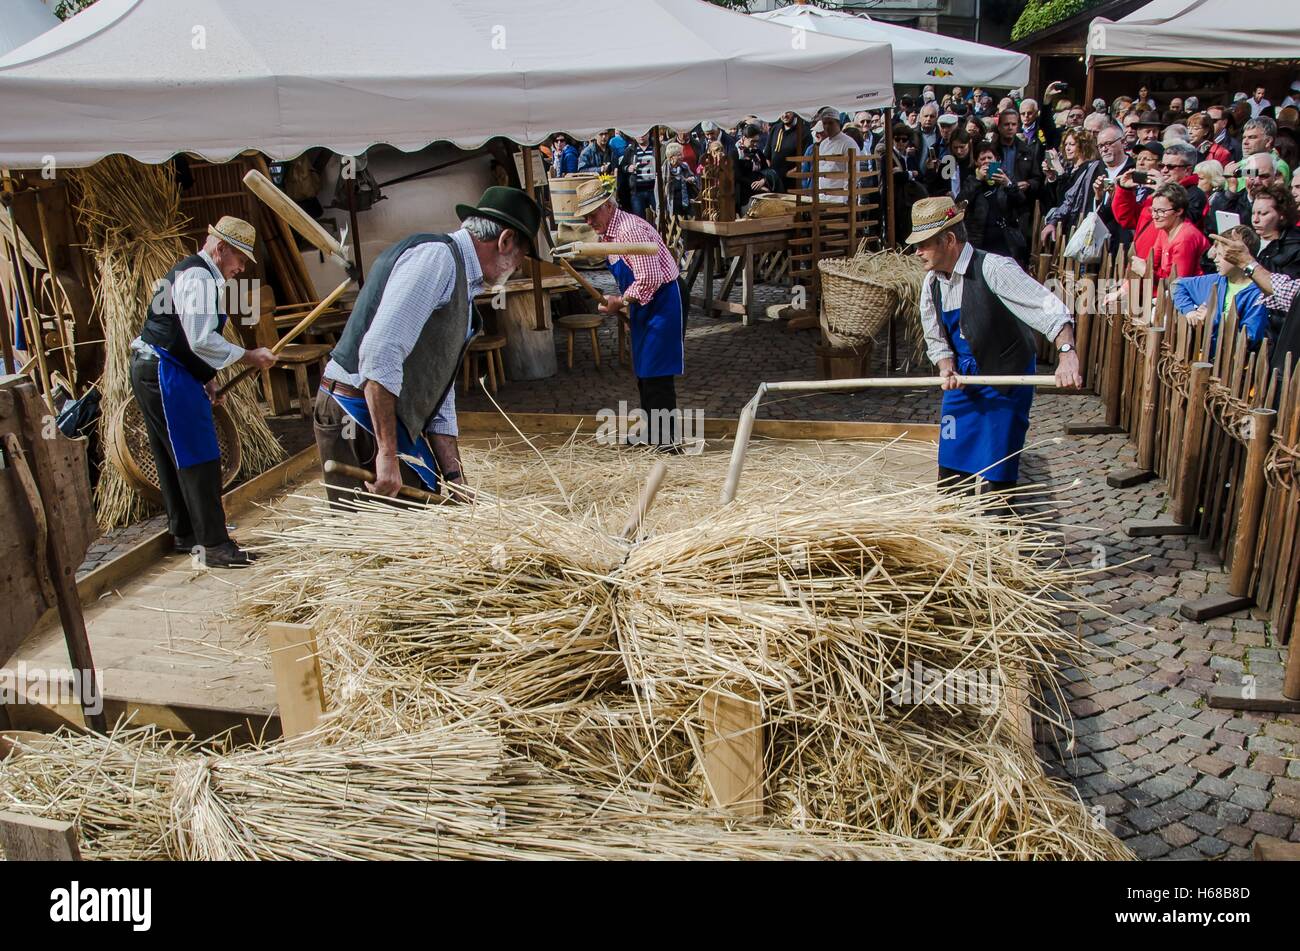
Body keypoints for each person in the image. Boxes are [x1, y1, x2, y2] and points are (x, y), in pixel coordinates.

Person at [315, 187, 541, 504]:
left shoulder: (461, 277)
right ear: (504, 241)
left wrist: (455, 478)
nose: (516, 268)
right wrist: (387, 454)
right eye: (520, 257)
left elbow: (438, 384)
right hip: (355, 411)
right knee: (380, 540)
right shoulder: (437, 260)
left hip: (380, 413)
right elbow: (380, 355)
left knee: (426, 510)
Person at [129, 217, 278, 568]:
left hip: (164, 367)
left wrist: (207, 378)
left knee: (174, 456)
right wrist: (248, 356)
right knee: (198, 455)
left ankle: (186, 535)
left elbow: (187, 338)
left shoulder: (201, 275)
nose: (241, 268)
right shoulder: (197, 277)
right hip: (164, 371)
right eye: (239, 258)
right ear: (220, 247)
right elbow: (200, 338)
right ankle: (214, 546)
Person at [911, 197, 1080, 502]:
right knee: (951, 462)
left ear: (949, 240)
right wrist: (945, 365)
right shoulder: (931, 283)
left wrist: (1067, 353)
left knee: (997, 471)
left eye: (923, 244)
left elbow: (1047, 307)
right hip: (964, 382)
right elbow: (934, 333)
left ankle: (996, 533)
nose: (917, 252)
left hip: (1005, 379)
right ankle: (952, 527)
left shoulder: (994, 268)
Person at [576, 178, 685, 450]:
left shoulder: (628, 231)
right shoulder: (609, 233)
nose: (589, 222)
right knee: (644, 371)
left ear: (608, 206)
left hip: (663, 299)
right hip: (645, 302)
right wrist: (626, 305)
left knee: (657, 374)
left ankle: (668, 444)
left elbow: (649, 278)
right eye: (585, 217)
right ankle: (652, 432)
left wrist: (620, 301)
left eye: (592, 215)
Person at [1172, 225, 1270, 352]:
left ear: (1239, 256)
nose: (1215, 260)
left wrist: (1213, 321)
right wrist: (1189, 311)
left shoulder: (1258, 295)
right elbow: (1177, 285)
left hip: (1232, 366)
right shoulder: (1215, 281)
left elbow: (1248, 339)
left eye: (1220, 255)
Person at [960, 140, 1028, 264]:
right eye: (982, 158)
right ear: (976, 162)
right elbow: (961, 203)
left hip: (1004, 239)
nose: (986, 161)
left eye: (989, 158)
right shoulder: (971, 180)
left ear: (997, 160)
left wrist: (1008, 184)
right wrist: (978, 181)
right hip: (980, 239)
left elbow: (1021, 202)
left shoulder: (1006, 177)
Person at [1041, 128, 1104, 244]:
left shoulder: (1091, 168)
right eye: (1066, 144)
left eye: (1072, 144)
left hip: (1079, 225)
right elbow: (1058, 200)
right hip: (1065, 228)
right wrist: (1052, 177)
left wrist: (1059, 170)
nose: (1067, 148)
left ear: (1083, 145)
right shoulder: (1071, 169)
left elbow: (1070, 197)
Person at [1144, 182, 1210, 280]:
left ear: (1179, 211)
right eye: (1153, 210)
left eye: (1161, 211)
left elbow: (1178, 282)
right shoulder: (1165, 229)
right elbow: (1152, 261)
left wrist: (1146, 271)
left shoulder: (1185, 238)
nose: (1155, 216)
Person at [1111, 141, 1165, 260]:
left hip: (1153, 252)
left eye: (1147, 159)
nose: (1140, 162)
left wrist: (1162, 191)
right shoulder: (1133, 185)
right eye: (1139, 158)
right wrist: (1123, 190)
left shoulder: (1164, 189)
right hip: (1130, 247)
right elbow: (1127, 219)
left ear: (1161, 165)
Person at [733, 123, 778, 214]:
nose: (755, 144)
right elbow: (738, 176)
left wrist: (763, 181)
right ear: (744, 138)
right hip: (744, 194)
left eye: (757, 141)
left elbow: (766, 170)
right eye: (752, 141)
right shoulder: (735, 154)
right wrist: (756, 186)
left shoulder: (758, 153)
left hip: (761, 192)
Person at [766, 111, 809, 190]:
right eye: (782, 112)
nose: (784, 115)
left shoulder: (804, 132)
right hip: (773, 181)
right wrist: (771, 174)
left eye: (788, 112)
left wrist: (788, 174)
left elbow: (805, 160)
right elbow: (767, 155)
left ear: (794, 112)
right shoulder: (775, 128)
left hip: (793, 182)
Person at [664, 142, 698, 218]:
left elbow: (694, 178)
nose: (682, 156)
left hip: (686, 202)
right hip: (673, 205)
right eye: (679, 155)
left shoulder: (685, 166)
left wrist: (692, 179)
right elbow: (659, 191)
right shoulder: (664, 171)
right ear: (671, 157)